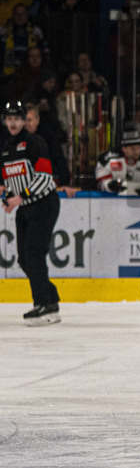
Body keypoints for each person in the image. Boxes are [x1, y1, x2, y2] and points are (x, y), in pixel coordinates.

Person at [1, 101, 61, 326]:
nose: (13, 123)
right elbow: (7, 180)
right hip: (25, 208)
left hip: (44, 205)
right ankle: (51, 298)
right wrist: (7, 197)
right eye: (9, 119)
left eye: (17, 118)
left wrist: (21, 196)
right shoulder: (6, 147)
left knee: (34, 253)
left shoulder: (35, 142)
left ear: (24, 120)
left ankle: (43, 305)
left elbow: (46, 178)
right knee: (24, 258)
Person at [95, 128, 140, 195]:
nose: (136, 152)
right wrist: (111, 185)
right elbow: (101, 183)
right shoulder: (107, 159)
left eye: (138, 148)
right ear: (124, 149)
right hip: (114, 201)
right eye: (132, 149)